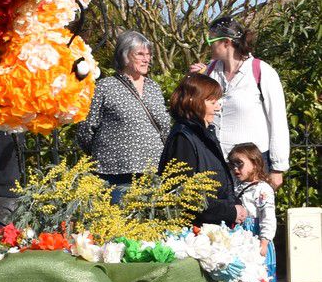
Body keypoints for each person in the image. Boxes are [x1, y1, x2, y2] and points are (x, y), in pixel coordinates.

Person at [190, 16, 289, 190]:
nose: (208, 45)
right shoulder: (210, 72)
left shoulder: (261, 72)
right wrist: (194, 79)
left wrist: (278, 168)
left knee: (252, 216)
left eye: (210, 40)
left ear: (226, 42)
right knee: (221, 216)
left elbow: (278, 120)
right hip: (217, 162)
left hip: (252, 165)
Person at [75, 30, 170, 202]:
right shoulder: (105, 87)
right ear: (125, 56)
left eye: (148, 54)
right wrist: (102, 153)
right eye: (140, 54)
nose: (146, 59)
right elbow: (86, 130)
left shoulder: (154, 88)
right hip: (116, 173)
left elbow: (164, 126)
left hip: (153, 172)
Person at [158, 74, 247, 228]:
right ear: (194, 101)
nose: (218, 107)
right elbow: (186, 196)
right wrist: (230, 211)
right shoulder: (183, 138)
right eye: (212, 102)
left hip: (211, 227)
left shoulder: (203, 134)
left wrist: (235, 205)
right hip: (195, 233)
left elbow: (221, 182)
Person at [229, 142, 281, 282]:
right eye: (232, 164)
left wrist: (264, 240)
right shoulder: (237, 187)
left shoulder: (262, 189)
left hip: (258, 240)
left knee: (263, 281)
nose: (235, 169)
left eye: (239, 164)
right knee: (246, 280)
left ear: (255, 163)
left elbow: (268, 217)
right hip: (243, 241)